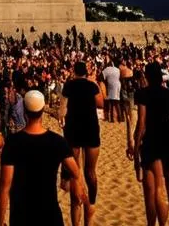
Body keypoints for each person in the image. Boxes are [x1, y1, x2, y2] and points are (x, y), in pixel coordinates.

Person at [0, 90, 84, 226]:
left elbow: (4, 186)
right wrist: (77, 191)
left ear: (24, 110)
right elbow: (76, 172)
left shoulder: (13, 142)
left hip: (21, 215)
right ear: (43, 110)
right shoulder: (57, 141)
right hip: (50, 213)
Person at [132, 62, 169, 226]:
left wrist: (136, 148)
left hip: (151, 139)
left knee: (151, 190)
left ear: (147, 76)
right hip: (167, 138)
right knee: (160, 187)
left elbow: (141, 123)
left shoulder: (142, 93)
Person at [60, 61, 101, 226]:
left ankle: (76, 216)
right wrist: (94, 83)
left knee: (75, 173)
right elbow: (101, 103)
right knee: (91, 171)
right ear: (86, 72)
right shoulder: (92, 86)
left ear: (73, 71)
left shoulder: (68, 86)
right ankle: (91, 203)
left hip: (73, 129)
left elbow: (62, 110)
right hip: (91, 128)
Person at [102, 59, 122, 124]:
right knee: (117, 102)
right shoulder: (117, 69)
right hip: (118, 85)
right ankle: (120, 118)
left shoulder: (106, 69)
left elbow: (102, 77)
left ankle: (112, 119)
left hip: (111, 86)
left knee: (111, 103)